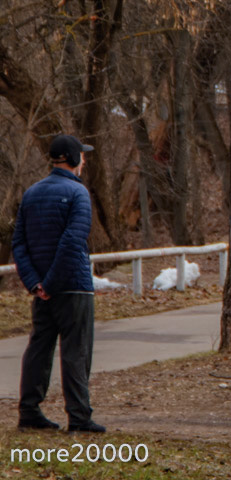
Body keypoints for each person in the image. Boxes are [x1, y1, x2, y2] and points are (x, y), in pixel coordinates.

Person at [10, 134, 105, 433]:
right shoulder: (78, 193)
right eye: (82, 155)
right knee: (76, 351)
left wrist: (35, 284)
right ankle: (78, 417)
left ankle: (29, 411)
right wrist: (50, 283)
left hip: (42, 291)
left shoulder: (31, 193)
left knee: (39, 349)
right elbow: (73, 241)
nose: (84, 160)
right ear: (74, 159)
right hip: (72, 286)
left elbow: (19, 244)